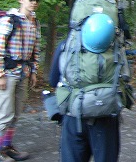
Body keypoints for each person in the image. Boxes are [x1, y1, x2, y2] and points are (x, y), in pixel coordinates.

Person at [49, 12, 121, 162]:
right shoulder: (116, 49)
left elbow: (53, 80)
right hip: (106, 116)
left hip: (73, 116)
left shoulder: (65, 47)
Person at [0, 0, 42, 162]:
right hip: (6, 73)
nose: (34, 3)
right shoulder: (8, 20)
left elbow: (36, 49)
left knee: (16, 113)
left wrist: (33, 71)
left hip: (23, 73)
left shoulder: (34, 22)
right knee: (4, 113)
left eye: (36, 0)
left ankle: (7, 147)